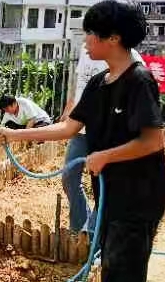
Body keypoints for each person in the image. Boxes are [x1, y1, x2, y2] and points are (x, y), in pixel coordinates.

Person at [0, 0, 165, 282]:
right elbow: (69, 127)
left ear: (113, 38)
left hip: (139, 198)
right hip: (111, 194)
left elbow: (153, 141)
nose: (85, 39)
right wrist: (15, 135)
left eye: (90, 32)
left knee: (124, 272)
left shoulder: (139, 80)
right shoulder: (99, 83)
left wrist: (105, 156)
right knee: (111, 265)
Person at [60, 46, 145, 235]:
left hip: (108, 135)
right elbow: (78, 82)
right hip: (82, 129)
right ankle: (80, 226)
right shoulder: (86, 49)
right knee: (69, 177)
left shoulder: (131, 59)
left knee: (105, 186)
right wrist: (69, 107)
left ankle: (92, 235)